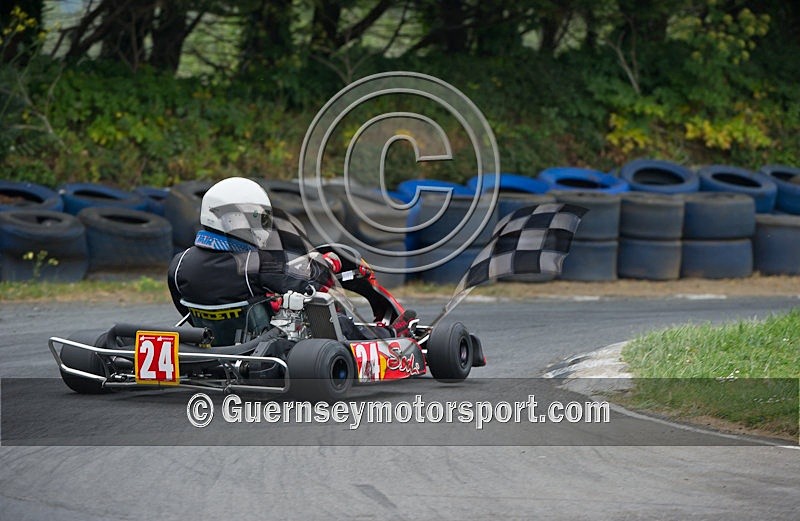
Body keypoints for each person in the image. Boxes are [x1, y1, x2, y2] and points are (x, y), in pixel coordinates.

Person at [167, 177, 414, 341]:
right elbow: (309, 284)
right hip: (261, 344)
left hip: (214, 341)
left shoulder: (179, 263)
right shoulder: (256, 263)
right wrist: (329, 263)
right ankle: (390, 335)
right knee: (333, 317)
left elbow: (185, 308)